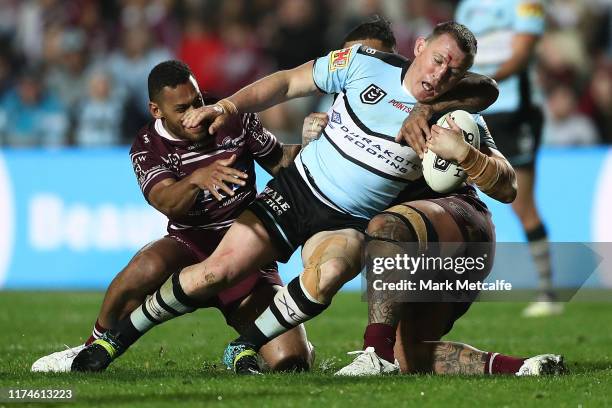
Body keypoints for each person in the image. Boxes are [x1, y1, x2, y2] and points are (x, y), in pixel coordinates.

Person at [71, 22, 505, 375]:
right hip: (296, 192)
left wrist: (427, 113)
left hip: (350, 220)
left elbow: (489, 89)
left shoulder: (456, 112)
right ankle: (114, 340)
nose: (439, 74)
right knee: (214, 273)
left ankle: (246, 344)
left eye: (453, 70)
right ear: (420, 46)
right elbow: (285, 83)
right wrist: (226, 108)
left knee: (329, 274)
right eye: (437, 60)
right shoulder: (362, 64)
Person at [301, 18, 565, 377]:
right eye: (352, 59)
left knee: (388, 225)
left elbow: (507, 186)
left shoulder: (447, 109)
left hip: (459, 225)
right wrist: (305, 146)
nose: (363, 68)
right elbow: (304, 184)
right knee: (410, 355)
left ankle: (373, 355)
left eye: (374, 59)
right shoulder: (342, 117)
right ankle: (524, 368)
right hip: (412, 251)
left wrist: (466, 154)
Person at [31, 60, 313, 373]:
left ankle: (251, 350)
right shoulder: (148, 145)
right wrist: (196, 179)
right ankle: (90, 346)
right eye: (182, 109)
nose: (195, 114)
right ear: (157, 111)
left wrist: (314, 147)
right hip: (190, 247)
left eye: (198, 102)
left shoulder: (234, 119)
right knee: (146, 266)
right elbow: (166, 201)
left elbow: (279, 162)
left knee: (293, 362)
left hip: (246, 252)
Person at [456, 0, 562, 317]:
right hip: (478, 113)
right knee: (465, 196)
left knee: (522, 204)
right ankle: (469, 284)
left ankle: (548, 292)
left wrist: (477, 84)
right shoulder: (467, 7)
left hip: (517, 112)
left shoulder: (525, 3)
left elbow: (521, 54)